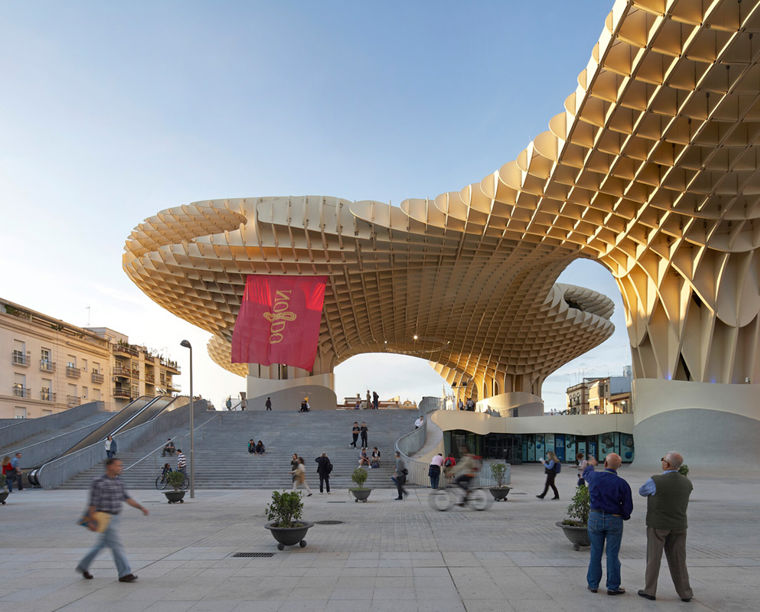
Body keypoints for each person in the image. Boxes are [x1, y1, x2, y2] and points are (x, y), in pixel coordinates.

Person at [76, 458, 148, 582]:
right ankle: (124, 573)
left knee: (100, 545)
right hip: (104, 518)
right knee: (116, 545)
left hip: (116, 517)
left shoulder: (119, 481)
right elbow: (93, 503)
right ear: (110, 467)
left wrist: (141, 507)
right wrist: (91, 520)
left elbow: (126, 498)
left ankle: (83, 566)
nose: (121, 467)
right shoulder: (99, 482)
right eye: (118, 465)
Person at [637, 452, 693, 602]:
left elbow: (642, 491)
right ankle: (685, 592)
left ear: (666, 464)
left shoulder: (656, 480)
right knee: (679, 559)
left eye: (663, 460)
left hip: (658, 524)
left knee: (654, 558)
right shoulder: (687, 482)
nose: (662, 462)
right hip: (679, 525)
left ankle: (650, 590)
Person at [583, 453, 633, 596]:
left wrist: (592, 462)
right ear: (619, 466)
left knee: (595, 552)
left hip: (595, 516)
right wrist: (623, 516)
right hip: (614, 519)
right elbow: (628, 506)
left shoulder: (595, 477)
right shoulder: (622, 483)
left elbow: (586, 472)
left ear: (605, 464)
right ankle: (613, 586)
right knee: (612, 554)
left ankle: (593, 584)